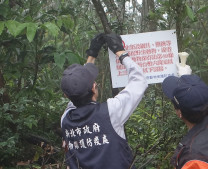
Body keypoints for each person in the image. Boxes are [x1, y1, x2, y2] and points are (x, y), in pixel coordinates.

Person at [60, 33, 148, 168]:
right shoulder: (111, 112)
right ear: (94, 88)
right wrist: (121, 52)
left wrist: (92, 55)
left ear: (66, 96)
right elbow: (139, 81)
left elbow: (75, 89)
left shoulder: (66, 119)